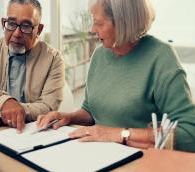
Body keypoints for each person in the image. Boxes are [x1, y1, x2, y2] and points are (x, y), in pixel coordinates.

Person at [36, 0, 195, 152]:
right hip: (98, 154)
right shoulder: (99, 54)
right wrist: (68, 117)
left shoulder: (161, 58)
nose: (92, 29)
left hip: (140, 160)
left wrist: (119, 134)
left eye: (98, 23)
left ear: (123, 23)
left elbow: (190, 134)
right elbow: (91, 109)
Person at [0, 0, 64, 133]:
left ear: (39, 30)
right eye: (11, 24)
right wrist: (5, 102)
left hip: (31, 131)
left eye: (26, 26)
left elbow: (48, 107)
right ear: (4, 23)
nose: (17, 33)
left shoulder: (53, 59)